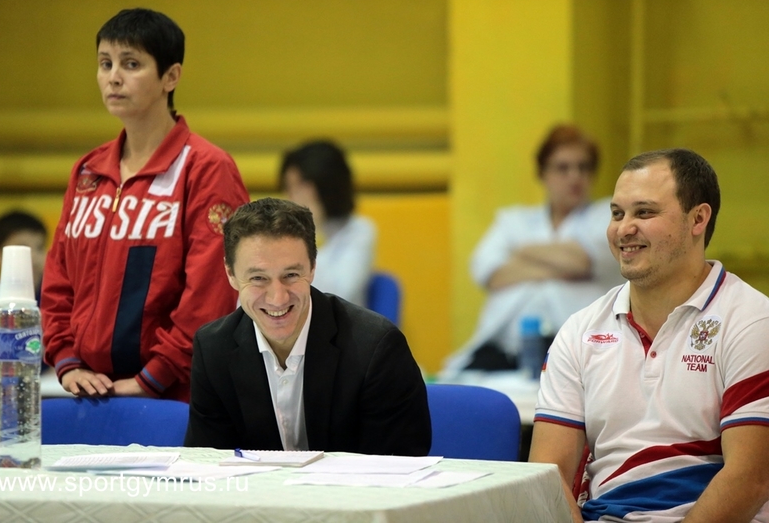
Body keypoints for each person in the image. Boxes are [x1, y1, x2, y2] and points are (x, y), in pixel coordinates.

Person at [530, 149, 769, 522]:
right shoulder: (579, 331)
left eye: (644, 213)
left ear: (698, 219)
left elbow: (751, 480)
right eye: (617, 214)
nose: (623, 229)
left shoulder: (753, 322)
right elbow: (548, 475)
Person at [40, 8, 249, 403]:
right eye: (105, 63)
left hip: (177, 395)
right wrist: (67, 361)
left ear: (171, 76)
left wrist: (153, 377)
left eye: (131, 64)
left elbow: (212, 292)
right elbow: (58, 278)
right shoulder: (87, 171)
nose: (113, 77)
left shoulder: (206, 168)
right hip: (89, 390)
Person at [184, 197, 431, 455]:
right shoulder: (213, 349)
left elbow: (397, 465)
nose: (277, 298)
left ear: (313, 267)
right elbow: (206, 464)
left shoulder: (376, 348)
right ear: (231, 274)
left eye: (291, 275)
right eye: (258, 278)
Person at [441, 125, 622, 376]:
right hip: (504, 350)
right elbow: (490, 273)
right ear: (542, 173)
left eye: (583, 167)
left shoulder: (607, 215)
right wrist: (563, 266)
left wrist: (521, 251)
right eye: (563, 168)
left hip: (579, 351)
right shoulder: (514, 220)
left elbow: (582, 261)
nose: (575, 177)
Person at [0, 211, 47, 440]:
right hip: (4, 401)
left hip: (45, 398)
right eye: (23, 248)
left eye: (40, 247)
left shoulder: (57, 299)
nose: (34, 258)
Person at [279, 140, 376, 307]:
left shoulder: (360, 230)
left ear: (325, 186)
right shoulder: (282, 231)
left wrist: (311, 227)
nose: (292, 197)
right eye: (289, 188)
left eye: (299, 187)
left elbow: (337, 295)